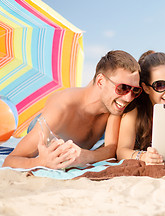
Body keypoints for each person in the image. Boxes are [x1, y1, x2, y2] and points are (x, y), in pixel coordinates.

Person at [3, 50, 142, 169]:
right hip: (48, 130)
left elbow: (111, 149)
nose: (129, 98)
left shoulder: (113, 106)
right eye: (123, 88)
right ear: (100, 81)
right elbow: (10, 161)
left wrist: (86, 155)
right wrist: (40, 162)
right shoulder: (62, 108)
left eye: (135, 90)